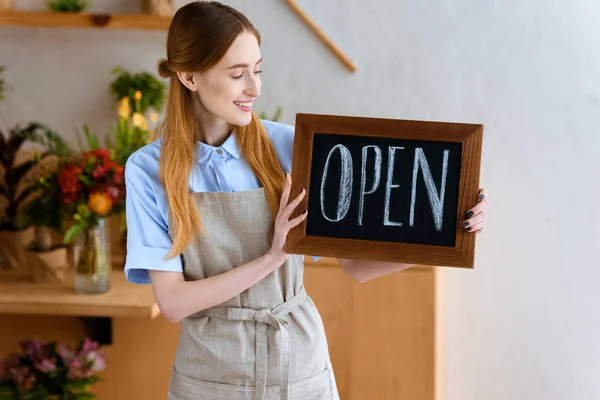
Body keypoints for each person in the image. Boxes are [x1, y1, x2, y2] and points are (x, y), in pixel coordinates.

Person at [123, 2, 490, 399]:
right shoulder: (148, 170)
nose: (255, 88)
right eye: (237, 74)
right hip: (208, 377)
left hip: (298, 369)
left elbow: (355, 267)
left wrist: (446, 231)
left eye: (258, 69)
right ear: (189, 76)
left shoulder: (290, 148)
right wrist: (272, 257)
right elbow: (174, 303)